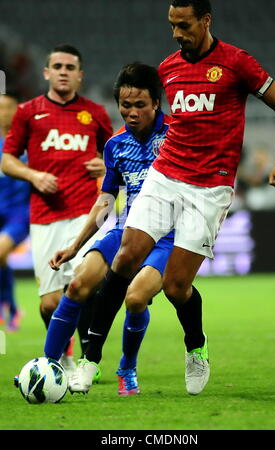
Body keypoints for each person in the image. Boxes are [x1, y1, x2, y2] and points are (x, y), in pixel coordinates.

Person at [78, 0, 275, 396]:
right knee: (127, 254)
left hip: (209, 187)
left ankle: (196, 345)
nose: (177, 33)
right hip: (166, 175)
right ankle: (90, 358)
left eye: (184, 25)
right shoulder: (167, 69)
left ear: (206, 20)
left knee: (177, 286)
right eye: (172, 25)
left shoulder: (237, 62)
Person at [43, 62, 178, 396]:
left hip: (167, 237)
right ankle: (49, 366)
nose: (131, 113)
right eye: (125, 105)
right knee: (77, 284)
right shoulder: (115, 145)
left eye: (140, 105)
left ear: (156, 103)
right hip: (127, 228)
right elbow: (106, 200)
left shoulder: (177, 136)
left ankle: (127, 368)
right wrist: (75, 246)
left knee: (135, 300)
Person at [1, 44, 113, 374]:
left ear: (80, 75)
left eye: (70, 67)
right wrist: (33, 174)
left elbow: (118, 155)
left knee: (83, 285)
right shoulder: (28, 113)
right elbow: (7, 160)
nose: (64, 71)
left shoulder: (95, 113)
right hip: (45, 217)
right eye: (58, 66)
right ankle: (62, 353)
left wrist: (104, 166)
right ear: (47, 72)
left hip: (85, 214)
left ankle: (86, 359)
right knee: (50, 302)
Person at [0, 93, 30, 331]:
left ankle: (8, 306)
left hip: (21, 212)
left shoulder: (28, 142)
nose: (4, 112)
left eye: (8, 107)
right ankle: (11, 307)